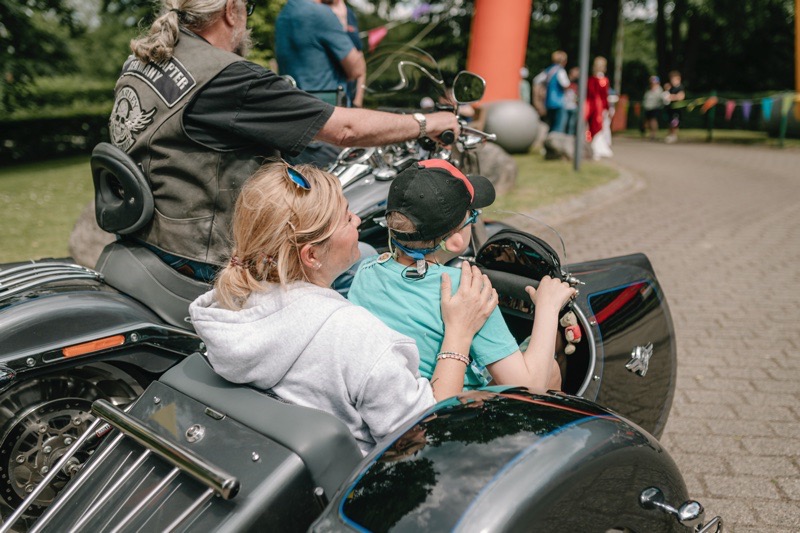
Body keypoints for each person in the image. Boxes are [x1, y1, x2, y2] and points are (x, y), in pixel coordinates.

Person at [110, 0, 459, 282]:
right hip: (207, 254)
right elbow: (344, 130)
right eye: (247, 9)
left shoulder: (144, 60)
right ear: (231, 10)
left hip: (152, 237)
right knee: (366, 263)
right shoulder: (227, 76)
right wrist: (425, 122)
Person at [188, 162, 498, 454]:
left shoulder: (229, 307)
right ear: (311, 256)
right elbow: (427, 437)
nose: (358, 220)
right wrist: (458, 333)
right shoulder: (356, 338)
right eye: (347, 217)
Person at [348, 160, 576, 392]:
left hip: (403, 393)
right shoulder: (467, 291)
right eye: (472, 216)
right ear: (456, 241)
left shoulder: (366, 271)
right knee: (550, 370)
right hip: (453, 408)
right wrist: (547, 307)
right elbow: (530, 386)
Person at [275, 0, 363, 107]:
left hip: (293, 106)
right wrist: (342, 22)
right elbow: (357, 70)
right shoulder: (321, 13)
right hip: (327, 109)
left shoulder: (283, 14)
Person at [533, 50, 570, 133]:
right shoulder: (560, 71)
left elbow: (536, 80)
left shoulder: (548, 70)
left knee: (550, 124)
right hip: (559, 102)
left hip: (548, 102)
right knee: (559, 126)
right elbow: (565, 84)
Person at [586, 56, 612, 159]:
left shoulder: (590, 79)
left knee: (592, 127)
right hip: (599, 108)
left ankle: (594, 147)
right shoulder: (603, 80)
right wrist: (607, 108)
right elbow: (604, 96)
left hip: (590, 107)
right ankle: (597, 148)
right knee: (600, 127)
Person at [663, 70, 686, 143]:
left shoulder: (680, 87)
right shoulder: (671, 88)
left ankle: (674, 135)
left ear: (678, 79)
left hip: (677, 109)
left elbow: (681, 97)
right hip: (671, 109)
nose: (672, 81)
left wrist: (671, 97)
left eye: (673, 79)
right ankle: (670, 134)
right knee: (670, 122)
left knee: (674, 122)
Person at [642, 75, 665, 141]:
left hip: (655, 108)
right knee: (647, 122)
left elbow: (662, 99)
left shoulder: (659, 90)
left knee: (653, 121)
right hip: (648, 108)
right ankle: (649, 134)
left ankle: (653, 135)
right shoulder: (648, 90)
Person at [563, 66, 580, 136]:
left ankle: (569, 138)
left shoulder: (578, 83)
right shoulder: (565, 81)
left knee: (571, 125)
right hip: (565, 106)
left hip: (573, 106)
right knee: (564, 123)